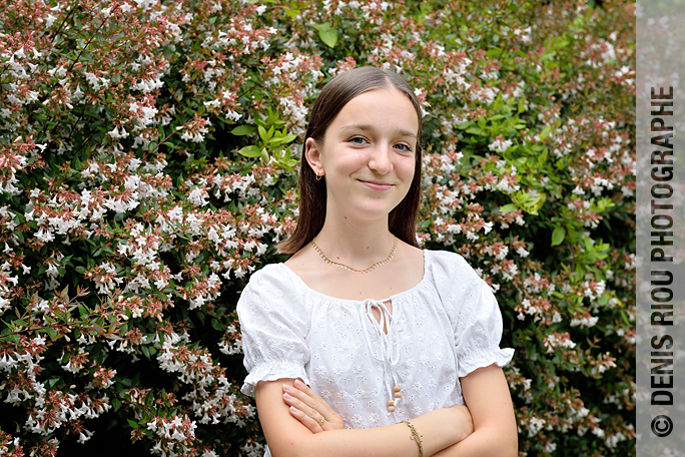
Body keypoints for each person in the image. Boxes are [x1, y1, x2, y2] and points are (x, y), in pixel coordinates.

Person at [237, 66, 517, 457]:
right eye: (359, 139)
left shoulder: (450, 281)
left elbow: (500, 446)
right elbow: (298, 452)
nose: (383, 163)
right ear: (315, 155)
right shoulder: (276, 295)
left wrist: (344, 444)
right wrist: (441, 426)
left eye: (402, 146)